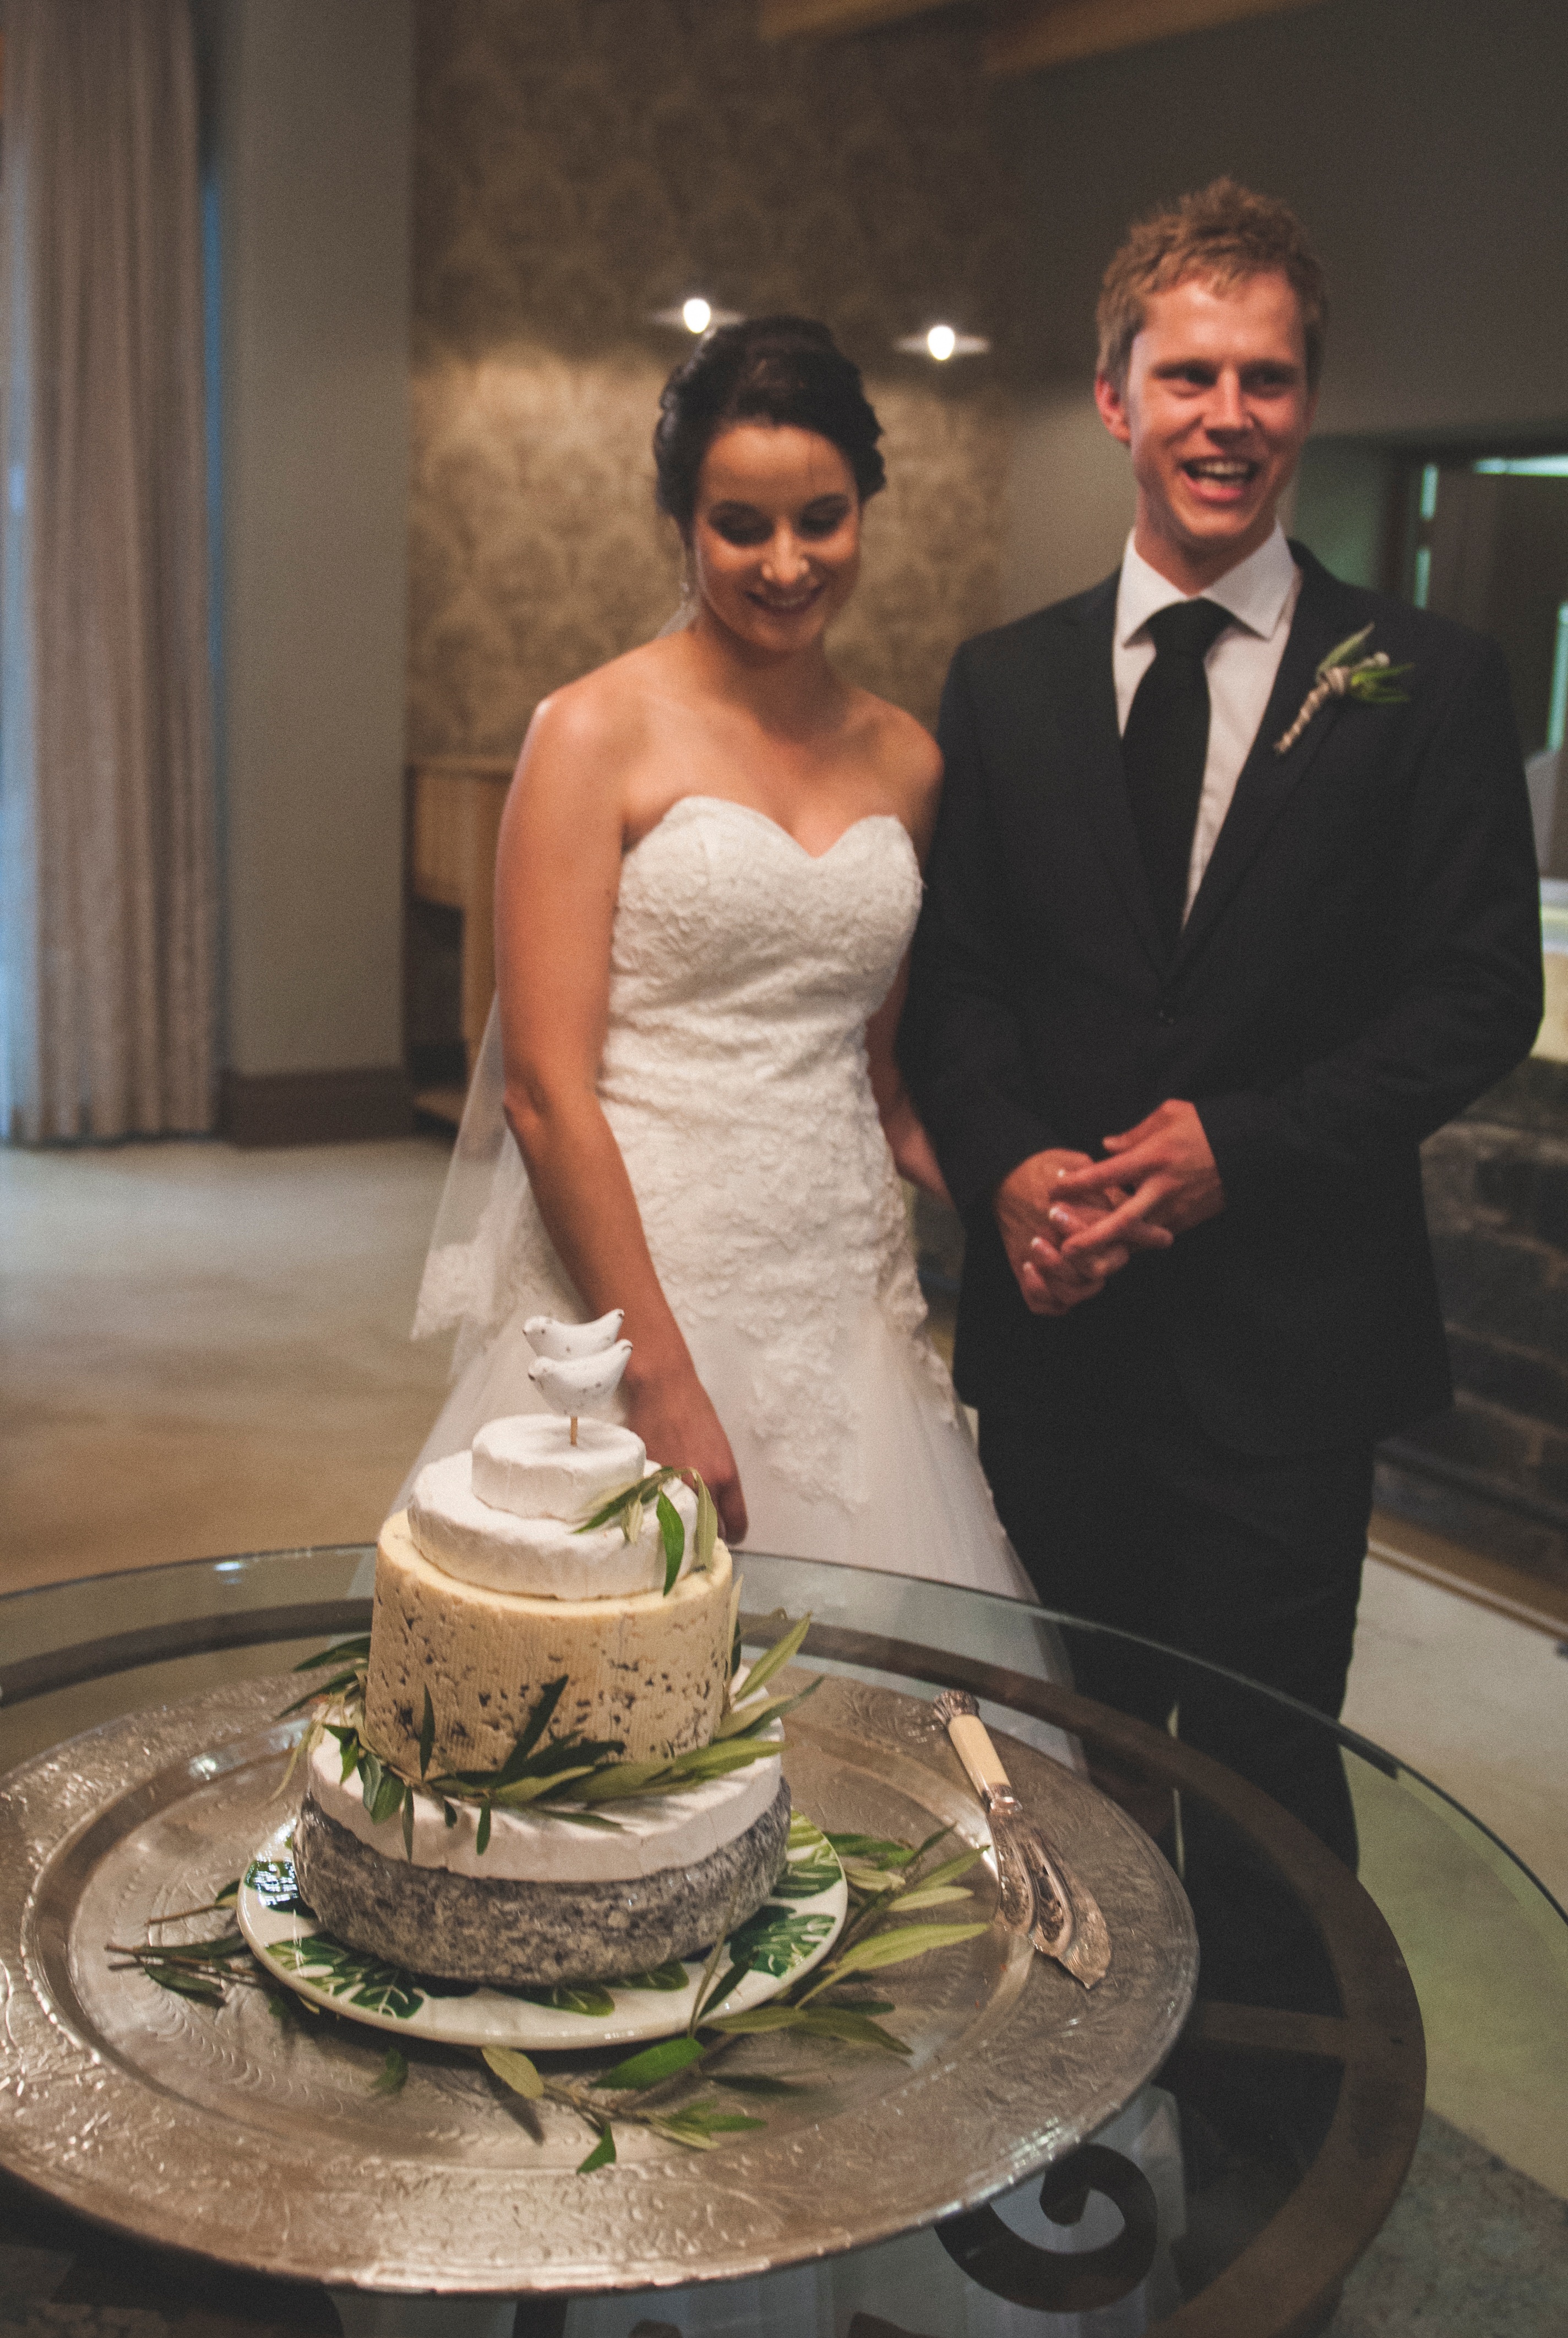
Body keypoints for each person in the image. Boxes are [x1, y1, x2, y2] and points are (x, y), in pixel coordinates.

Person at [899, 181, 1543, 1953]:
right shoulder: (1005, 681)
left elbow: (1477, 993)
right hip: (1061, 1337)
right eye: (1188, 377)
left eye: (1265, 379)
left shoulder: (1426, 675)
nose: (1227, 417)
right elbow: (955, 985)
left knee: (1265, 1771)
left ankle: (1264, 2137)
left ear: (1308, 403)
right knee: (1070, 1750)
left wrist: (1238, 1148)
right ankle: (1080, 2095)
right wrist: (1015, 1164)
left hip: (1292, 1348)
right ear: (1115, 398)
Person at [404, 315, 1036, 1601]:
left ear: (865, 507)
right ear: (680, 521)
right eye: (740, 525)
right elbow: (541, 1089)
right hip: (641, 1276)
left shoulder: (907, 761)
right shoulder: (590, 733)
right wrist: (659, 1372)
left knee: (862, 1692)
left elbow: (876, 1072)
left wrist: (1011, 1176)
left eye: (822, 517)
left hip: (841, 1280)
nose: (786, 561)